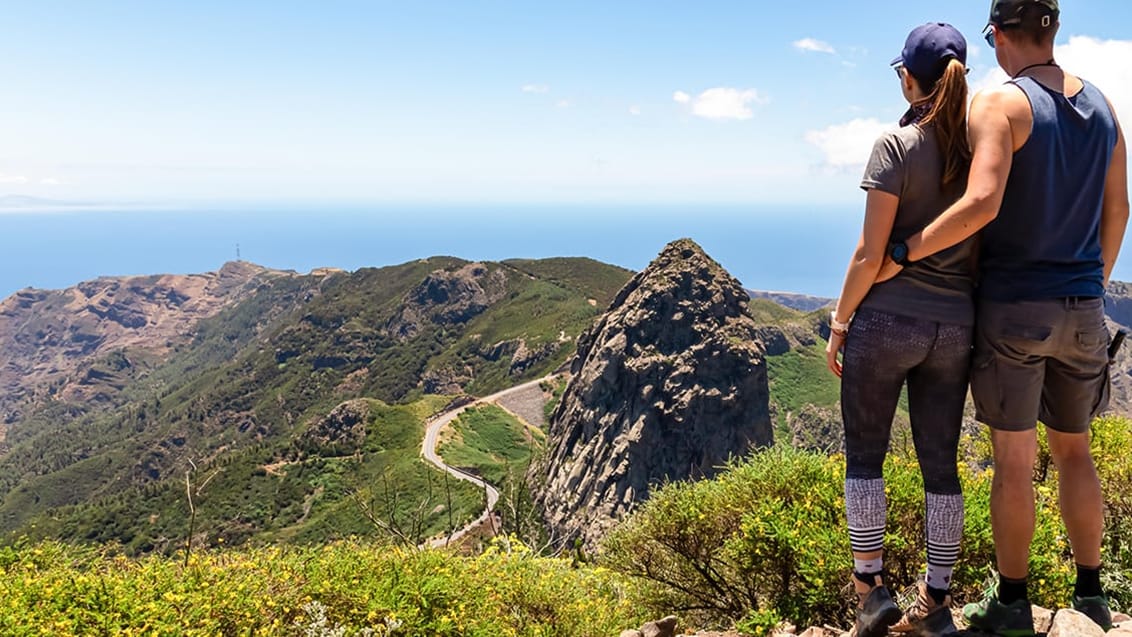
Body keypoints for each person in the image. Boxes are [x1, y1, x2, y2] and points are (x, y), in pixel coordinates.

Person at [878, 1, 1130, 633]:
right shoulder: (1103, 107)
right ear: (1053, 30)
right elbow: (1119, 209)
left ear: (996, 36)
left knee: (1014, 462)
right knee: (1076, 455)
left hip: (1016, 308)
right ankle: (1092, 594)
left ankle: (1012, 604)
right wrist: (1091, 286)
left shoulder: (1001, 104)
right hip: (1084, 312)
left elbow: (983, 201)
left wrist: (903, 251)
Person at [825, 22, 973, 637]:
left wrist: (839, 325)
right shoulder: (983, 152)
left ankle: (871, 591)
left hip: (886, 321)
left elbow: (869, 252)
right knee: (942, 465)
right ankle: (937, 602)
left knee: (865, 457)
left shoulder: (894, 145)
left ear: (909, 80)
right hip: (956, 328)